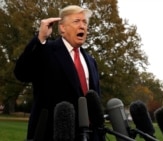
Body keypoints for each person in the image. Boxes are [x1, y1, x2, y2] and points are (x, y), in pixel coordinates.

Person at [14, 5, 103, 141]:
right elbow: (21, 73)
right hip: (53, 134)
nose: (82, 26)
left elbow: (95, 101)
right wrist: (40, 38)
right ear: (62, 28)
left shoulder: (91, 61)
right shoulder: (45, 50)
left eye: (84, 22)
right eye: (76, 21)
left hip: (90, 135)